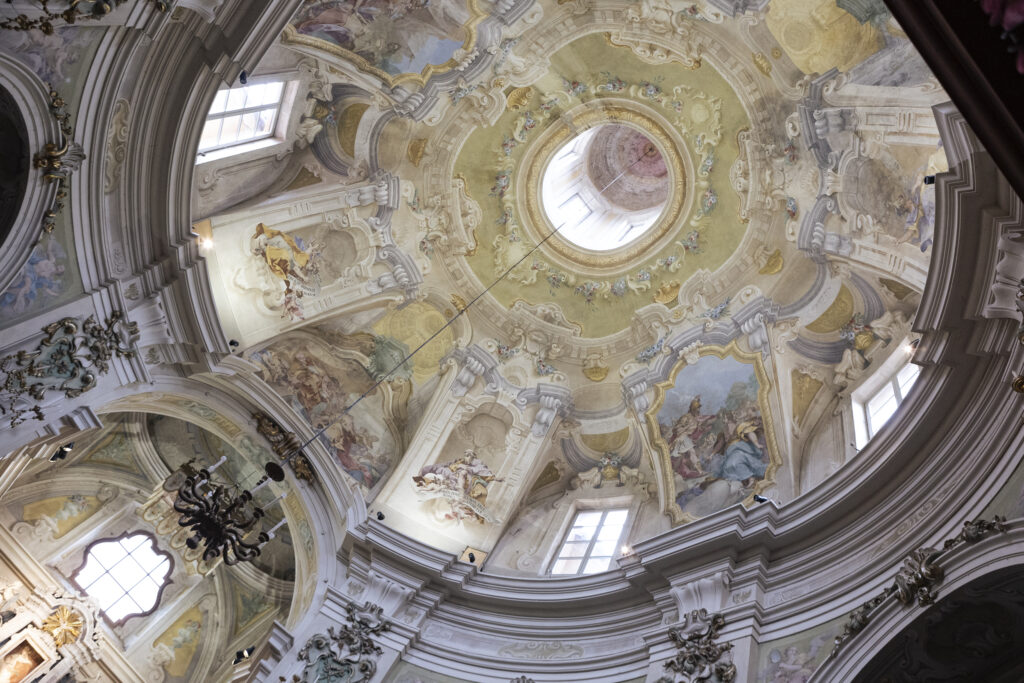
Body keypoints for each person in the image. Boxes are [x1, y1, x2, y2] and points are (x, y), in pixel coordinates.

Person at [718, 422, 767, 487]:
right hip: (731, 455)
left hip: (741, 451)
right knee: (728, 466)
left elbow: (750, 432)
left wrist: (756, 443)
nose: (727, 430)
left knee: (735, 461)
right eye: (726, 429)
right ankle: (743, 481)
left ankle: (751, 479)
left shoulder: (740, 427)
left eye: (728, 426)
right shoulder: (729, 439)